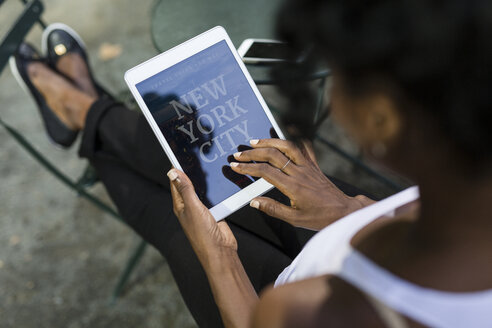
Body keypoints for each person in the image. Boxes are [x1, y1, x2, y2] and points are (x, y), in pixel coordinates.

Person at [10, 23, 373, 327]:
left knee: (175, 219)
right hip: (357, 230)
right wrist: (344, 206)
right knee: (217, 161)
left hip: (281, 310)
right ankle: (87, 111)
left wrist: (221, 259)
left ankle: (81, 110)